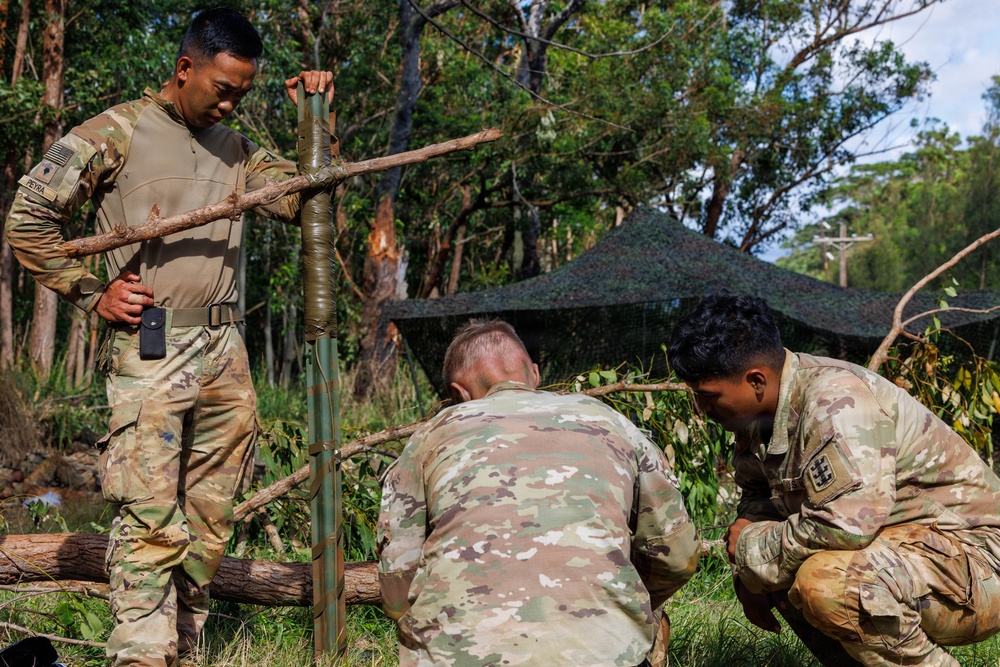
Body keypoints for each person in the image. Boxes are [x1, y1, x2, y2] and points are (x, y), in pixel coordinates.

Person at [5, 8, 333, 667]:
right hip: (151, 344)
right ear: (185, 68)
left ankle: (180, 646)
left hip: (224, 352)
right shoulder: (117, 132)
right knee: (149, 514)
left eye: (243, 91)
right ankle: (140, 656)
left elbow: (305, 195)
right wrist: (91, 292)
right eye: (222, 88)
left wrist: (312, 116)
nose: (232, 102)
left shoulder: (238, 151)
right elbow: (28, 215)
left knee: (208, 519)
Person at [667, 292, 1000, 667]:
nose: (701, 408)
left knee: (828, 583)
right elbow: (758, 496)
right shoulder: (759, 416)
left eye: (708, 396)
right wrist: (748, 573)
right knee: (778, 564)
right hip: (907, 554)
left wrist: (750, 550)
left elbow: (846, 527)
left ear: (756, 380)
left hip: (977, 562)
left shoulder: (836, 401)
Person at [377, 319, 700, 667]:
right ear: (534, 373)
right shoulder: (610, 422)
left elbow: (397, 584)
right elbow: (677, 554)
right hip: (602, 654)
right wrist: (625, 603)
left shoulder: (429, 438)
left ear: (459, 394)